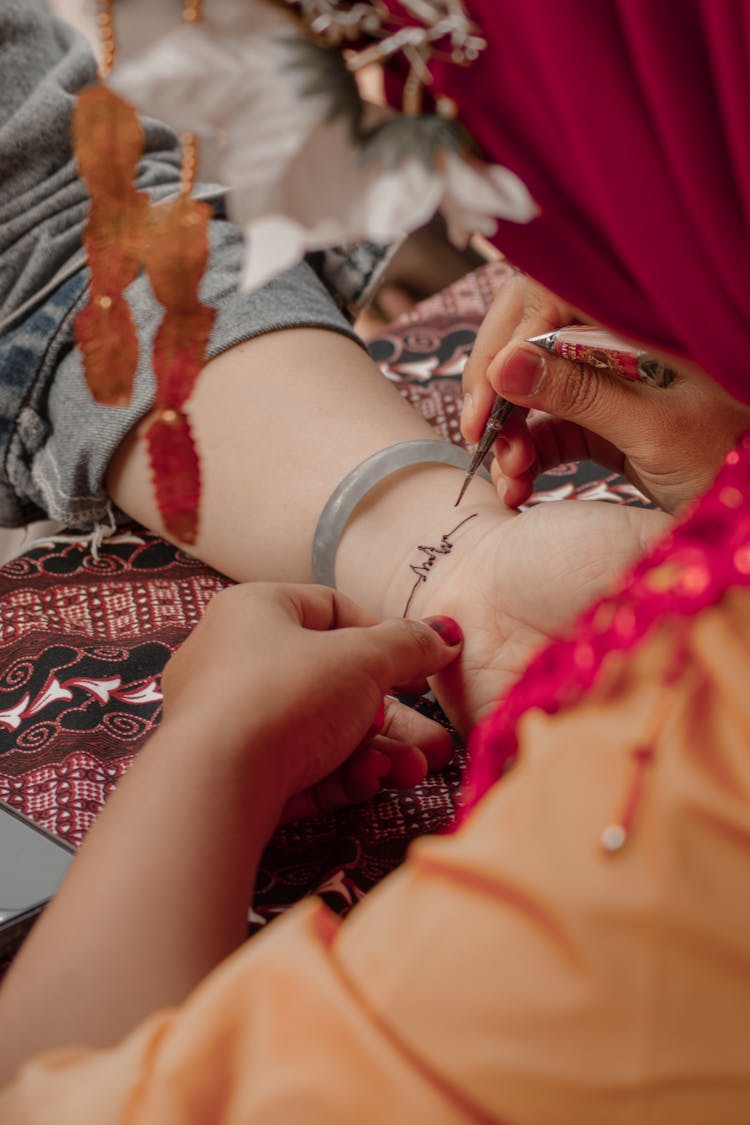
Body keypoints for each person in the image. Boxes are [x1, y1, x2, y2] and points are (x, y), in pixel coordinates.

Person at [2, 0, 750, 1118]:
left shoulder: (670, 823)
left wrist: (210, 754)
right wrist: (447, 571)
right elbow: (55, 221)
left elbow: (47, 1095)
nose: (504, 244)